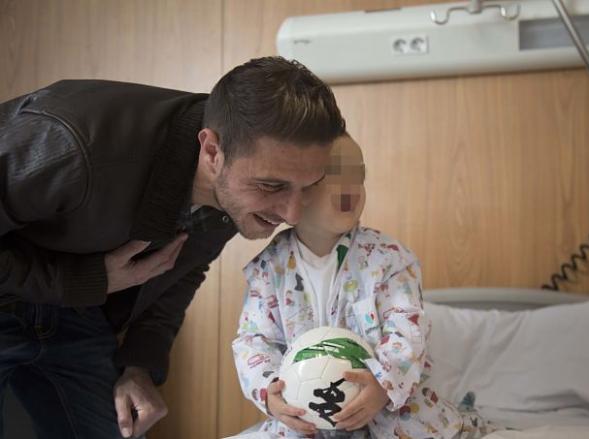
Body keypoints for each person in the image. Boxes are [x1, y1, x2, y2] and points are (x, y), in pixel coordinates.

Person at [0, 56, 346, 439]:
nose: (293, 214)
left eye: (309, 185)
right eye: (271, 186)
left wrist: (140, 364)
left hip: (78, 317)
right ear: (212, 151)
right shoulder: (74, 144)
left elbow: (177, 271)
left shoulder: (234, 187)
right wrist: (81, 280)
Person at [233, 136, 497, 438]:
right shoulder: (268, 269)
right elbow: (254, 341)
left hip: (384, 406)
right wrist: (270, 392)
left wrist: (383, 385)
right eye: (332, 174)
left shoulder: (388, 259)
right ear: (292, 188)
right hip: (307, 411)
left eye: (358, 175)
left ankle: (464, 419)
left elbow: (406, 330)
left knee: (424, 429)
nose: (349, 186)